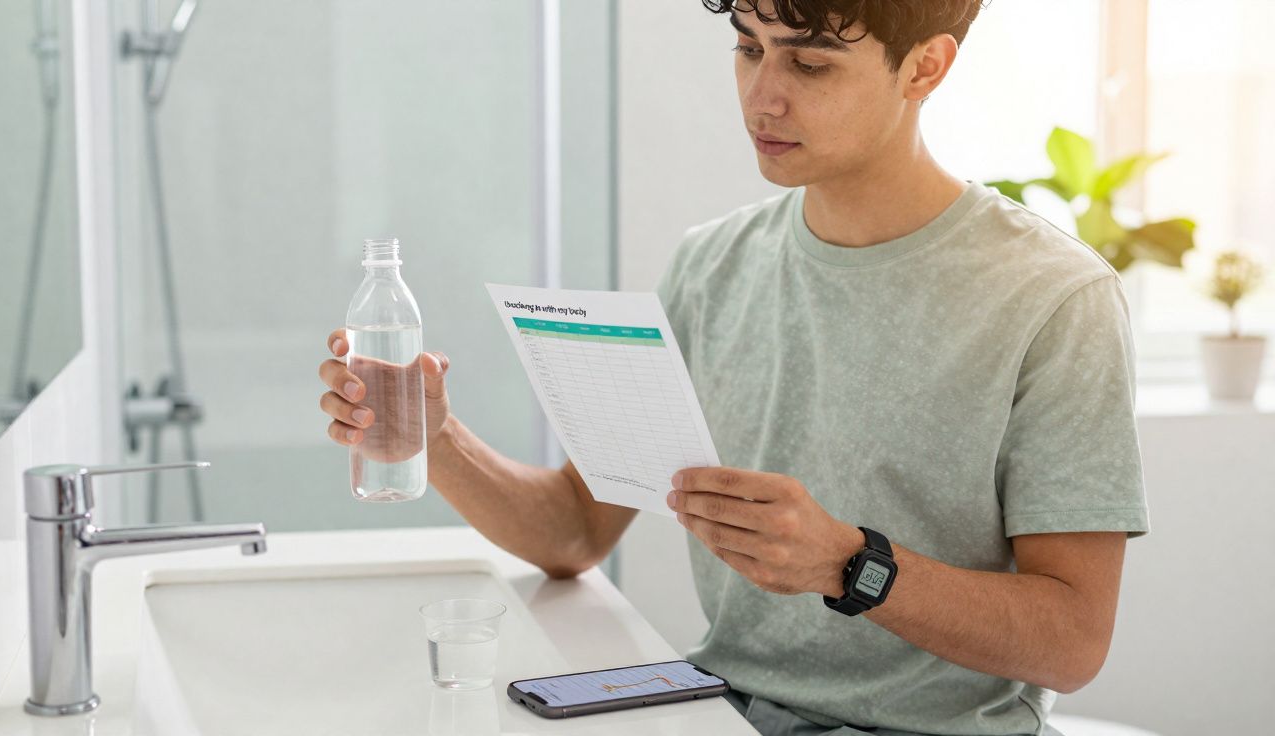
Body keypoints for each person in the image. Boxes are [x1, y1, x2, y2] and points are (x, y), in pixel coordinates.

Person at [317, 1, 1149, 734]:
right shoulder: (712, 266)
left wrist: (848, 564)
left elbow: (1072, 643)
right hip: (719, 714)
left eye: (810, 62)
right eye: (749, 49)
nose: (764, 96)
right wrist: (437, 437)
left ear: (925, 66)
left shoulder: (1056, 297)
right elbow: (576, 529)